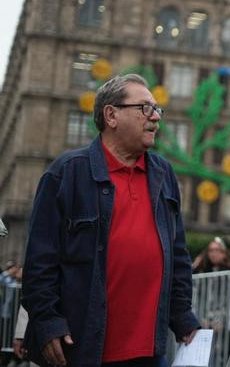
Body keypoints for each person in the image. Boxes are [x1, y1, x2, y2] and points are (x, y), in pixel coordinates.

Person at [21, 74, 198, 367]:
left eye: (157, 110)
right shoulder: (66, 173)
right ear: (111, 115)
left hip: (150, 353)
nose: (155, 117)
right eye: (144, 108)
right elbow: (40, 260)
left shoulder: (164, 174)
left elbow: (177, 254)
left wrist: (183, 317)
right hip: (82, 349)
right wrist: (47, 321)